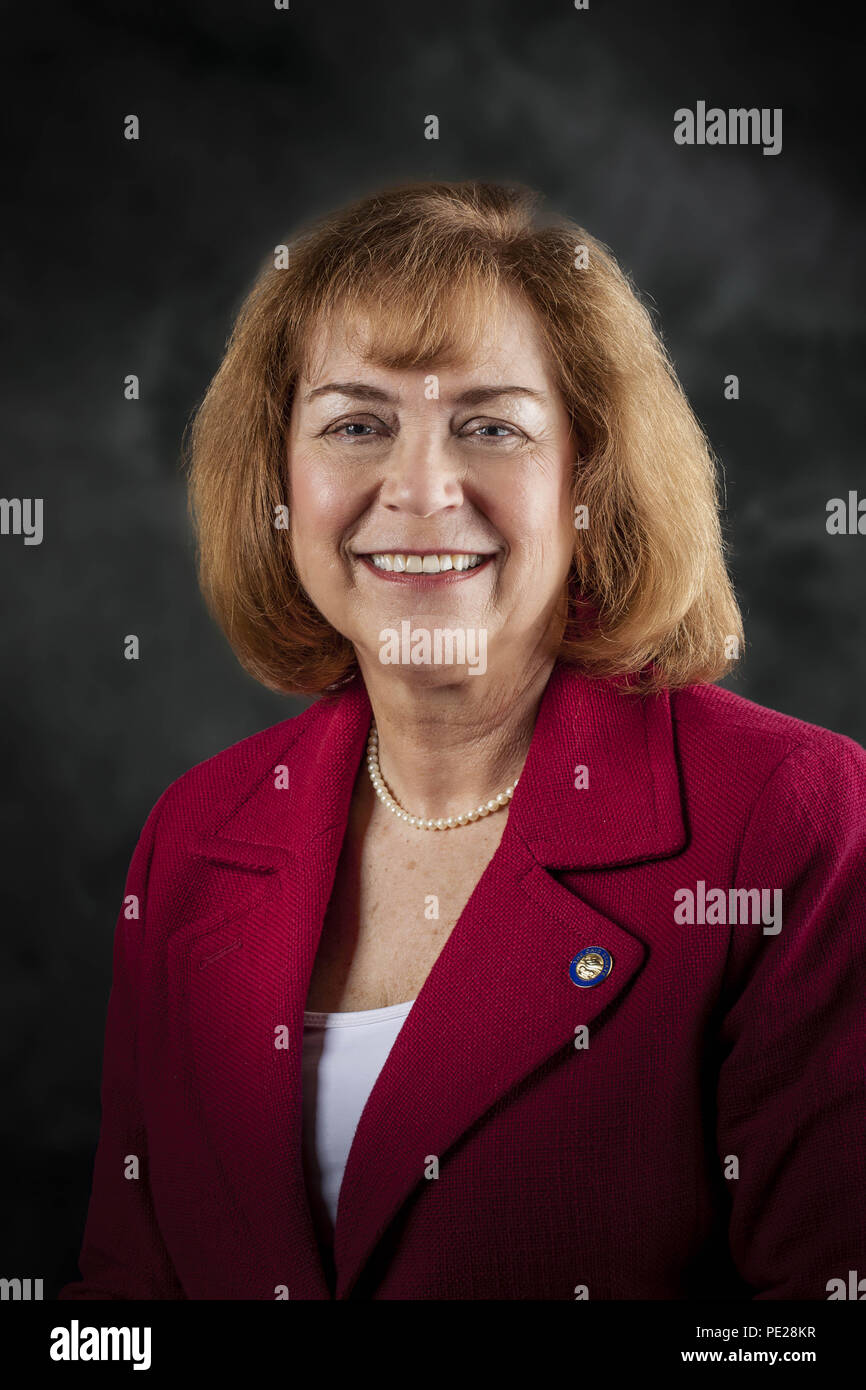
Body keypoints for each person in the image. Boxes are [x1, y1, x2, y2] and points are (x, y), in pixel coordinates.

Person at [59, 180, 866, 1301]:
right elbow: (118, 1310)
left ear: (588, 475)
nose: (422, 489)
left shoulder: (785, 817)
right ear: (278, 482)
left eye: (489, 426)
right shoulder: (194, 838)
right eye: (356, 424)